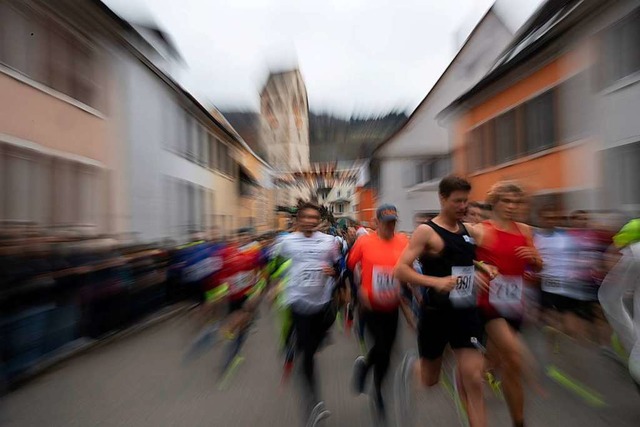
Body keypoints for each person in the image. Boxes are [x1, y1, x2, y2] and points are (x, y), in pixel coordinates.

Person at [395, 176, 493, 427]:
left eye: (466, 201)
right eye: (457, 201)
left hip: (465, 313)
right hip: (436, 314)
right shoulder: (427, 231)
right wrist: (435, 282)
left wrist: (483, 268)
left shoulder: (467, 231)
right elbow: (401, 270)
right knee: (430, 380)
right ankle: (412, 369)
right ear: (442, 198)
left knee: (474, 379)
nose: (463, 206)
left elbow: (461, 261)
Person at [474, 181, 543, 427]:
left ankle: (517, 420)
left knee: (505, 366)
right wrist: (479, 269)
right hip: (489, 305)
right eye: (507, 201)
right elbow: (461, 258)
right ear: (495, 202)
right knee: (514, 357)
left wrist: (536, 260)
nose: (512, 206)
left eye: (517, 202)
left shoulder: (525, 230)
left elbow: (536, 265)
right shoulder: (481, 230)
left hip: (515, 303)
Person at [276, 202, 341, 426]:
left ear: (318, 220)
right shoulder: (287, 242)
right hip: (298, 302)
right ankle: (313, 403)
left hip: (322, 305)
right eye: (306, 217)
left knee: (314, 345)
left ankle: (304, 344)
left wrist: (333, 273)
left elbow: (337, 267)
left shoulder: (329, 242)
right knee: (309, 355)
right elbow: (274, 264)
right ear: (298, 220)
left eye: (315, 217)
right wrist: (271, 285)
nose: (311, 221)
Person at [347, 204, 409, 421]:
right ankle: (377, 390)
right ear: (376, 222)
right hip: (370, 307)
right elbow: (350, 265)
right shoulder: (365, 241)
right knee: (382, 346)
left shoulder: (403, 241)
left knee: (386, 353)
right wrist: (359, 290)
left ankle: (371, 376)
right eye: (386, 221)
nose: (390, 226)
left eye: (393, 221)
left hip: (392, 307)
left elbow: (409, 268)